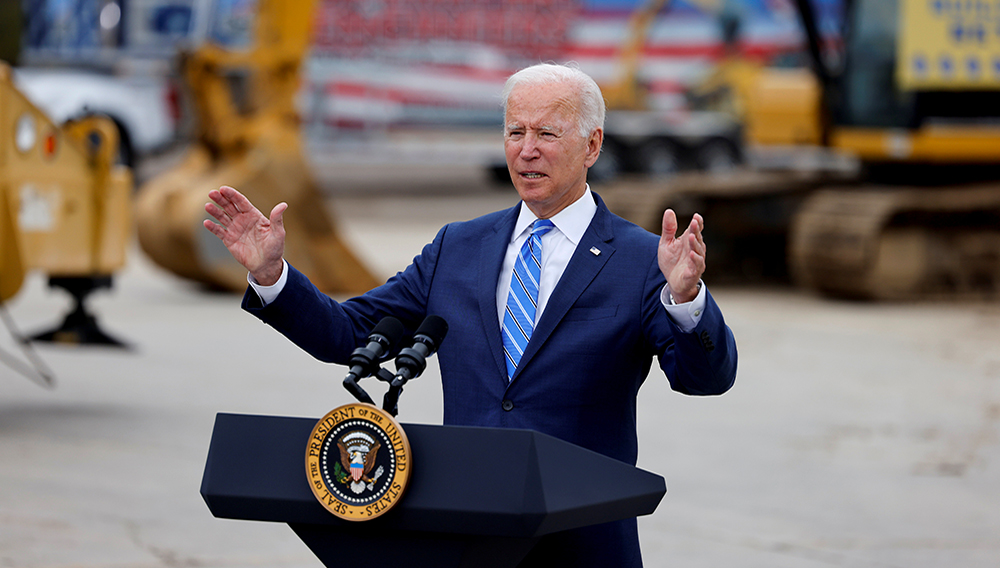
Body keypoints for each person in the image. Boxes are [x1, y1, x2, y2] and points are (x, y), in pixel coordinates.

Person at [204, 63, 737, 567]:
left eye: (547, 135)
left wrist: (687, 300)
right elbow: (348, 334)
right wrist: (273, 275)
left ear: (592, 144)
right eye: (514, 133)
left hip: (581, 542)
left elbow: (705, 379)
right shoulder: (458, 246)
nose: (527, 151)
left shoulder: (642, 260)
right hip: (464, 536)